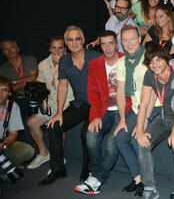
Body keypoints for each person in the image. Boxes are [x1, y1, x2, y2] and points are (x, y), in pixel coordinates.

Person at [40, 26, 101, 186]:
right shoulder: (64, 61)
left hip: (96, 105)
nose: (74, 43)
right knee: (53, 127)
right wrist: (59, 112)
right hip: (79, 104)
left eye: (77, 39)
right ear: (66, 43)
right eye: (70, 40)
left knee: (85, 132)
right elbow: (62, 86)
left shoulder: (96, 57)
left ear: (83, 40)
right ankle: (57, 168)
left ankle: (87, 170)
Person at [135, 44, 174, 199]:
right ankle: (150, 189)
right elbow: (144, 104)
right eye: (151, 62)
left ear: (166, 59)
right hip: (163, 117)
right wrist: (139, 130)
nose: (155, 64)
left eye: (158, 60)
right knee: (142, 143)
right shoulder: (149, 75)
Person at [74, 31, 131, 195]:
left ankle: (96, 178)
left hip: (124, 110)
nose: (107, 47)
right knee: (90, 137)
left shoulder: (127, 61)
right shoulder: (95, 65)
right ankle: (98, 173)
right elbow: (92, 93)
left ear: (117, 44)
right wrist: (96, 116)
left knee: (111, 144)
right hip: (104, 111)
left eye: (110, 43)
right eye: (103, 44)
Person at [113, 25, 152, 196]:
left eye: (132, 39)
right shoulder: (121, 63)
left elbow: (155, 92)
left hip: (153, 107)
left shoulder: (149, 57)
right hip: (137, 108)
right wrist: (122, 119)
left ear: (139, 39)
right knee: (120, 137)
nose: (129, 43)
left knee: (137, 138)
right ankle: (138, 178)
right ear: (121, 42)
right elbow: (120, 93)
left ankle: (148, 180)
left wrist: (143, 121)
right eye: (125, 40)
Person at [26, 36, 74, 170]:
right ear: (49, 49)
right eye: (54, 47)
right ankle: (44, 153)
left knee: (57, 124)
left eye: (60, 48)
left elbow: (75, 83)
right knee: (31, 122)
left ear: (65, 49)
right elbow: (42, 85)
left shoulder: (73, 61)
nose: (57, 51)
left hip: (68, 102)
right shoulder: (42, 64)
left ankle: (58, 158)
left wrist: (62, 64)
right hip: (51, 102)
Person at [0, 39, 38, 141]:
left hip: (33, 97)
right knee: (18, 123)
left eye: (12, 47)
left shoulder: (30, 59)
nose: (9, 51)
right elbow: (11, 89)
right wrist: (26, 79)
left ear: (17, 49)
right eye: (6, 49)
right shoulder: (3, 69)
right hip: (17, 99)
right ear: (3, 52)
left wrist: (14, 82)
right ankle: (25, 151)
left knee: (32, 121)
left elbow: (33, 79)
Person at [0, 77, 34, 183]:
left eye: (4, 90)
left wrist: (3, 144)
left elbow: (13, 134)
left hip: (1, 143)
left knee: (28, 151)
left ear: (10, 93)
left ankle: (3, 171)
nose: (0, 93)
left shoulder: (12, 106)